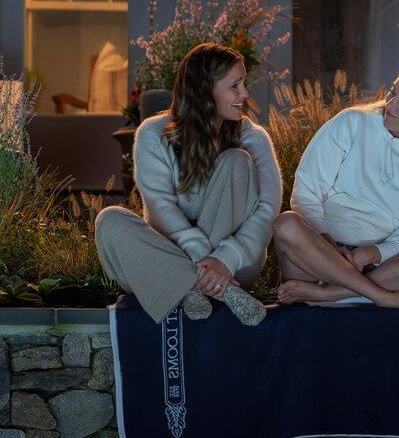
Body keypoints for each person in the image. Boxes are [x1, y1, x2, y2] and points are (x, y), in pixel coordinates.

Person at [96, 43, 281, 325]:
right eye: (235, 85)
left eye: (243, 83)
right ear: (205, 90)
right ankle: (215, 290)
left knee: (236, 160)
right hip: (172, 257)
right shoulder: (153, 134)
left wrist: (225, 259)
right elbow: (160, 208)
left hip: (233, 264)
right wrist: (201, 262)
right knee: (109, 221)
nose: (244, 94)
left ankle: (185, 286)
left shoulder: (253, 137)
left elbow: (268, 209)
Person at [274, 62, 399, 310]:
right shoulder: (351, 122)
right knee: (286, 223)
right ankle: (382, 297)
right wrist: (329, 245)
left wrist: (372, 253)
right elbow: (306, 194)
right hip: (318, 254)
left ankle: (327, 295)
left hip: (382, 263)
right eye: (392, 92)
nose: (389, 104)